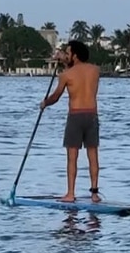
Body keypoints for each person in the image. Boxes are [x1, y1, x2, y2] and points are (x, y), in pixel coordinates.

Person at [40, 40, 101, 202]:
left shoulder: (66, 75)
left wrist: (45, 103)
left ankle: (70, 193)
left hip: (75, 116)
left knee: (72, 157)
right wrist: (65, 62)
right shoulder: (95, 70)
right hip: (92, 115)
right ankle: (94, 193)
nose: (66, 56)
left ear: (75, 55)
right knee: (93, 154)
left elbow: (56, 97)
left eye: (68, 53)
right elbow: (79, 72)